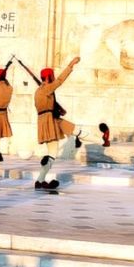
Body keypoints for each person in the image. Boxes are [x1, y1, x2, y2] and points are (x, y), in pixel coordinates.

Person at [34, 56, 110, 191]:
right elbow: (60, 80)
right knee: (52, 153)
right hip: (50, 121)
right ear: (49, 77)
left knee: (75, 130)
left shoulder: (40, 90)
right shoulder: (47, 88)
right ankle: (40, 180)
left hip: (51, 119)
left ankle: (102, 140)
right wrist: (70, 65)